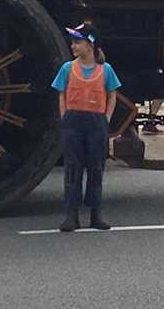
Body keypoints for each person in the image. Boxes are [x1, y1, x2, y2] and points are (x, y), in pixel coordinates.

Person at [52, 23, 121, 232]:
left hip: (96, 122)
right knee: (73, 169)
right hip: (74, 120)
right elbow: (61, 93)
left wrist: (106, 117)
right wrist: (64, 115)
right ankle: (71, 214)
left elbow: (112, 95)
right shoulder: (67, 68)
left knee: (96, 168)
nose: (73, 46)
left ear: (89, 45)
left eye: (77, 42)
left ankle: (95, 213)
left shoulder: (105, 70)